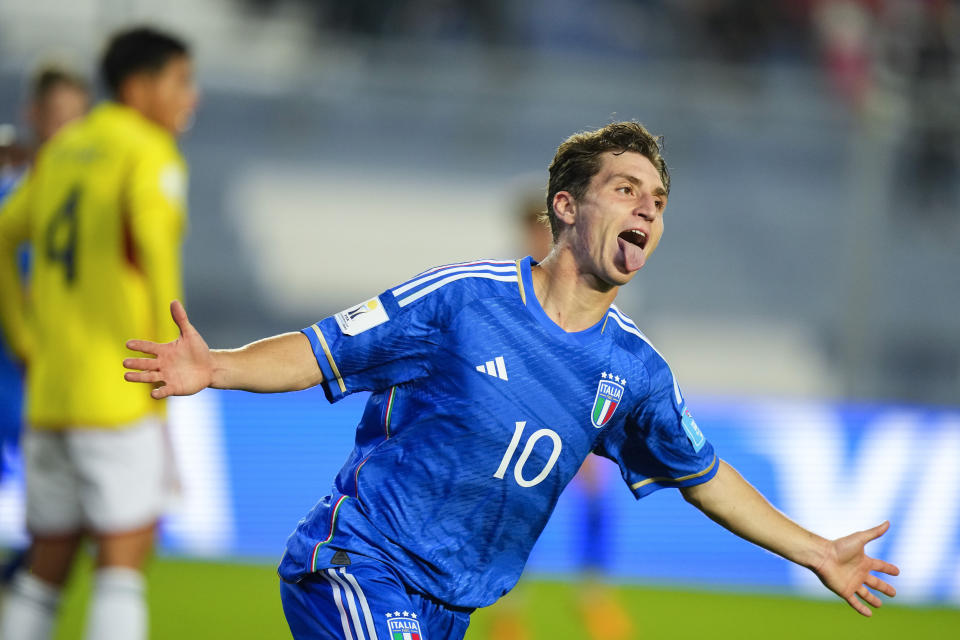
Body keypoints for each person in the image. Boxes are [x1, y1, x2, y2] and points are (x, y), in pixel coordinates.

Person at [123, 122, 899, 639]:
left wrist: (817, 551)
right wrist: (217, 366)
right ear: (566, 207)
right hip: (358, 564)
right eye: (626, 189)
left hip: (452, 605)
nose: (647, 210)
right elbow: (326, 350)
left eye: (658, 201)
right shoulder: (464, 298)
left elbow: (702, 474)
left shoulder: (635, 371)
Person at [0, 26, 197, 640]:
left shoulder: (63, 148)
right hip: (119, 390)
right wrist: (174, 357)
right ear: (140, 87)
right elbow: (158, 257)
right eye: (181, 82)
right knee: (122, 567)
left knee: (44, 569)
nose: (192, 98)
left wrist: (23, 337)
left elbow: (3, 235)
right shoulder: (148, 152)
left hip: (50, 393)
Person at [0, 63, 90, 582]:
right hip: (17, 370)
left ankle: (15, 587)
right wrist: (23, 339)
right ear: (33, 116)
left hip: (52, 380)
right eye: (58, 116)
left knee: (66, 516)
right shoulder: (17, 194)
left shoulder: (89, 202)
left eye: (77, 118)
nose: (67, 130)